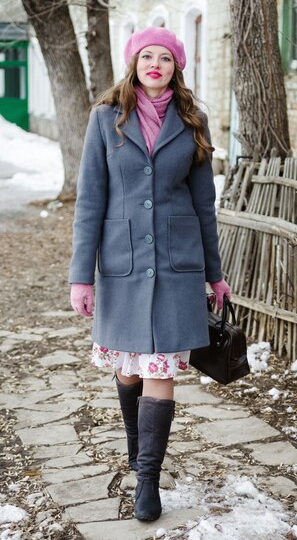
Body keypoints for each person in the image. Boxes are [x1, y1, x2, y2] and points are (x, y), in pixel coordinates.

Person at [69, 26, 231, 522]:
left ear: (176, 66)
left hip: (177, 266)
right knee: (129, 370)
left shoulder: (192, 119)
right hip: (121, 264)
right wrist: (82, 276)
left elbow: (204, 204)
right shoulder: (105, 118)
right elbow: (89, 200)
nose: (155, 64)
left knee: (160, 371)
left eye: (165, 57)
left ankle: (147, 479)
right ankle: (138, 453)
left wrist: (215, 274)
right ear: (134, 63)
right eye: (147, 56)